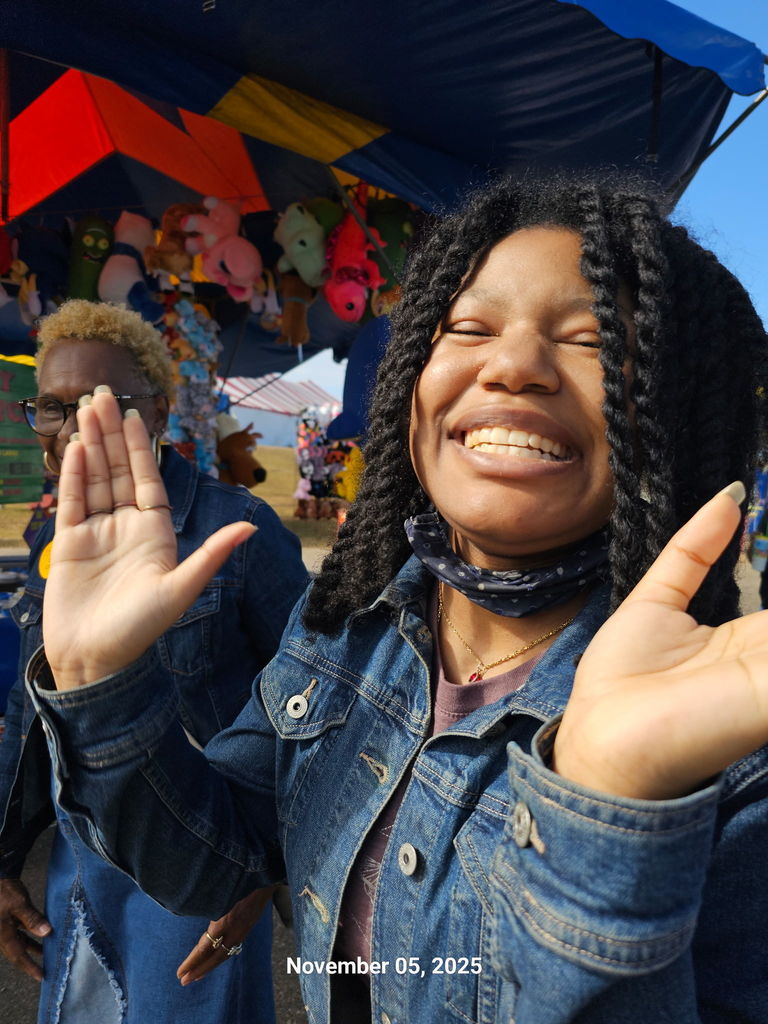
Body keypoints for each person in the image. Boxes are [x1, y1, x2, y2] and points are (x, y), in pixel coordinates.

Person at [20, 175, 768, 1023]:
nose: (514, 364)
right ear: (411, 386)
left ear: (671, 410)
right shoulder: (351, 623)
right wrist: (100, 679)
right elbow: (213, 857)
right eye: (468, 328)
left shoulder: (726, 755)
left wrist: (609, 810)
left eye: (594, 339)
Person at [0, 300, 309, 1023]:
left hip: (202, 868)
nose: (77, 425)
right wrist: (6, 858)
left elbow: (312, 708)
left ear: (161, 412)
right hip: (82, 863)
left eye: (103, 402)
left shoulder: (235, 531)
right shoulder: (55, 534)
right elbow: (30, 713)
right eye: (53, 406)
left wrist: (259, 875)